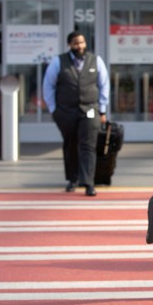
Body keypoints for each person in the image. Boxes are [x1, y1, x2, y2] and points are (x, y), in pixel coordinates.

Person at [43, 31, 109, 196]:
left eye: (81, 42)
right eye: (75, 43)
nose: (79, 46)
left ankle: (88, 182)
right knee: (70, 144)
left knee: (89, 146)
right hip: (66, 111)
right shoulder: (58, 62)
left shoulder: (96, 60)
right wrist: (54, 109)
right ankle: (72, 180)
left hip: (90, 110)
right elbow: (48, 86)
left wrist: (102, 109)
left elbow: (104, 85)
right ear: (69, 45)